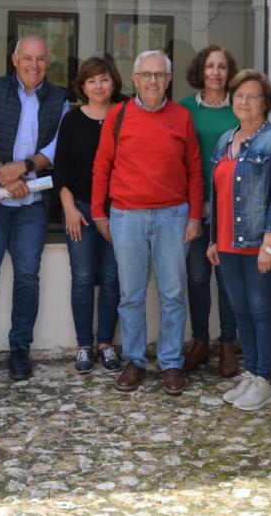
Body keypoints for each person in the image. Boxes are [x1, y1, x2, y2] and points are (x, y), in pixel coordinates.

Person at [93, 50, 204, 396]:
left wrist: (195, 215)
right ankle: (136, 361)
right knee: (131, 295)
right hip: (127, 215)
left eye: (160, 75)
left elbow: (195, 169)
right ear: (136, 79)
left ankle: (171, 363)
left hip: (173, 215)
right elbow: (102, 165)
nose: (153, 81)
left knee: (172, 293)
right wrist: (99, 212)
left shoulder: (182, 117)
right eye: (147, 75)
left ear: (169, 80)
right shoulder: (118, 116)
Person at [0, 35, 69, 381]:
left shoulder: (59, 99)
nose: (34, 65)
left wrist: (22, 167)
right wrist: (3, 174)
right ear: (14, 59)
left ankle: (20, 350)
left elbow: (57, 146)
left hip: (32, 206)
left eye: (40, 59)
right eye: (27, 58)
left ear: (49, 60)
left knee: (27, 277)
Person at [205, 70, 271, 411]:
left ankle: (267, 380)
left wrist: (270, 243)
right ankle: (252, 372)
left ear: (265, 103)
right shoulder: (226, 139)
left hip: (259, 243)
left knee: (261, 309)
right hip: (227, 243)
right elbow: (218, 193)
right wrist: (213, 239)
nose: (244, 102)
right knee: (240, 310)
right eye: (239, 96)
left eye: (252, 96)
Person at [53, 56, 125, 373]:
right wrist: (69, 209)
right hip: (80, 209)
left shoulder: (126, 115)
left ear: (114, 82)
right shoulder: (71, 120)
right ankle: (85, 344)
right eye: (91, 81)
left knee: (112, 278)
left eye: (104, 79)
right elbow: (61, 172)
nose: (98, 86)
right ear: (83, 86)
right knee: (82, 278)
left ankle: (106, 344)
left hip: (119, 211)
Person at [178, 45, 239, 377]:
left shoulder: (240, 107)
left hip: (230, 209)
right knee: (197, 277)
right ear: (200, 71)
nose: (216, 72)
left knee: (226, 280)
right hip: (195, 207)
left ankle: (228, 344)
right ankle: (200, 342)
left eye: (222, 66)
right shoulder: (184, 110)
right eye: (210, 66)